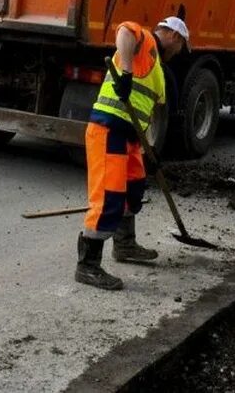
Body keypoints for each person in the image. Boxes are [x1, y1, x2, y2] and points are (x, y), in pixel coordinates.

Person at [76, 16, 189, 291]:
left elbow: (148, 112)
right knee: (109, 198)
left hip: (131, 138)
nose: (179, 52)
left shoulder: (159, 71)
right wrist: (125, 73)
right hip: (108, 129)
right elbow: (123, 31)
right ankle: (87, 266)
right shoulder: (146, 39)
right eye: (181, 46)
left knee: (133, 189)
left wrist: (151, 151)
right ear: (175, 36)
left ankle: (124, 245)